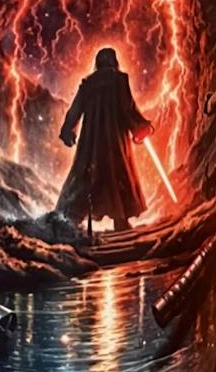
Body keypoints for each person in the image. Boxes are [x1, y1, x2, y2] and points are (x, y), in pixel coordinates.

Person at [57, 46, 153, 233]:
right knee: (118, 175)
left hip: (91, 142)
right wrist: (140, 126)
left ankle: (69, 220)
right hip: (115, 141)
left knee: (85, 176)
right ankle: (120, 221)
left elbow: (76, 108)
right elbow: (128, 108)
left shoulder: (88, 83)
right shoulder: (120, 80)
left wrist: (68, 130)